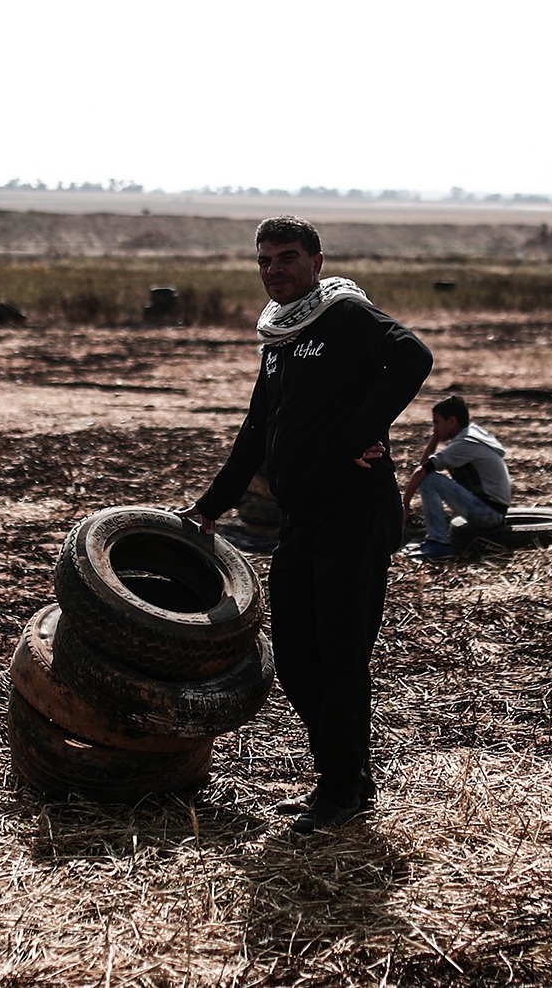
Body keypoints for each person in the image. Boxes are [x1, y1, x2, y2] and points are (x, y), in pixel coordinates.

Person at [180, 216, 432, 835]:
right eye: (264, 260)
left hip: (355, 518)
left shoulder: (344, 314)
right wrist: (210, 506)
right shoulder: (280, 341)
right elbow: (255, 433)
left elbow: (412, 356)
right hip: (302, 522)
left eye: (287, 257)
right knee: (295, 659)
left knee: (340, 656)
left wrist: (362, 430)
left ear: (318, 261)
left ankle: (342, 791)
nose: (274, 270)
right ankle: (343, 781)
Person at [403, 395, 511, 560]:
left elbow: (421, 472)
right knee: (429, 476)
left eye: (436, 422)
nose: (434, 427)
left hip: (488, 514)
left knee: (430, 480)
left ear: (452, 421)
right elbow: (424, 465)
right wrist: (436, 437)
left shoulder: (466, 443)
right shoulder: (472, 434)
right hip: (492, 510)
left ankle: (439, 543)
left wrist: (405, 503)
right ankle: (435, 541)